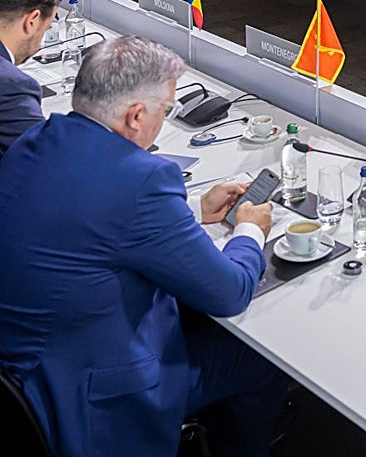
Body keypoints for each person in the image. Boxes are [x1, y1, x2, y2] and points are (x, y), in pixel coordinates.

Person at [0, 36, 286, 457]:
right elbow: (229, 293)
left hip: (30, 372)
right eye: (164, 111)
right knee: (261, 358)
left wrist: (190, 208)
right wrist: (249, 230)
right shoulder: (140, 180)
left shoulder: (38, 140)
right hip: (94, 399)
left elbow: (89, 214)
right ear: (135, 115)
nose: (161, 122)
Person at [0, 0, 59, 157]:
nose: (39, 46)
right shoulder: (13, 86)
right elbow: (44, 158)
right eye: (45, 29)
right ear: (32, 21)